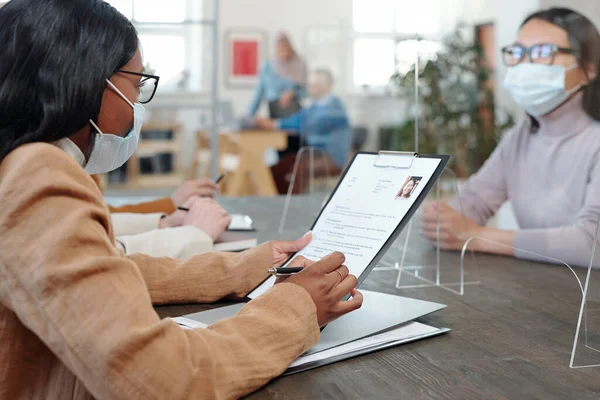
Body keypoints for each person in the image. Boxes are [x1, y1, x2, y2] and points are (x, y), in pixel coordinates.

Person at [0, 2, 363, 399]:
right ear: (88, 81)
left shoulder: (19, 167)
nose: (138, 108)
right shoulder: (38, 175)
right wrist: (297, 306)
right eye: (137, 85)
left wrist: (243, 269)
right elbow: (164, 379)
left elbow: (102, 272)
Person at [420, 7, 600, 267]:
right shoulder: (520, 136)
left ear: (589, 69)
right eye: (517, 52)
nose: (526, 64)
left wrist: (477, 236)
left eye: (542, 53)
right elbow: (477, 199)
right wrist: (443, 219)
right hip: (542, 290)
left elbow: (592, 244)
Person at [257, 69, 351, 194]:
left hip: (330, 158)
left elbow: (310, 124)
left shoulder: (335, 108)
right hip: (311, 153)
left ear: (325, 86)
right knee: (279, 167)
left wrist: (276, 124)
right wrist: (275, 123)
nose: (309, 87)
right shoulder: (314, 105)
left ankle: (294, 204)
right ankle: (279, 200)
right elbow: (300, 118)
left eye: (313, 85)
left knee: (298, 167)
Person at [249, 32, 308, 159]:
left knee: (294, 151)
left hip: (293, 112)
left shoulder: (299, 64)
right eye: (279, 48)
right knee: (279, 148)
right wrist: (249, 116)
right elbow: (259, 93)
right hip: (275, 111)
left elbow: (306, 91)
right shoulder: (268, 66)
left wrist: (293, 92)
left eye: (285, 47)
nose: (283, 51)